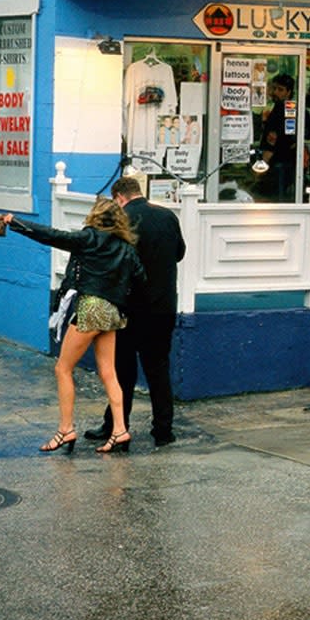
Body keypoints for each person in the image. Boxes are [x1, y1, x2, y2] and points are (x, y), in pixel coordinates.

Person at [2, 199, 145, 454]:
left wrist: (16, 222)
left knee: (63, 369)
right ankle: (120, 430)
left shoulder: (88, 238)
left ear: (95, 217)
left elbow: (51, 235)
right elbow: (140, 278)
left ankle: (66, 429)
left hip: (90, 307)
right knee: (109, 373)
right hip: (112, 311)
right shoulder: (126, 248)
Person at [85, 177, 187, 448]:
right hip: (164, 306)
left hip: (130, 307)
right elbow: (179, 253)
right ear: (139, 192)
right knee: (158, 369)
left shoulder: (121, 220)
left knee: (122, 371)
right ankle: (163, 430)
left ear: (118, 197)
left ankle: (117, 426)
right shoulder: (168, 216)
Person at [257, 71, 297, 199]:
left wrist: (263, 164)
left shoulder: (281, 111)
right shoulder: (286, 108)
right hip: (284, 162)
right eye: (275, 88)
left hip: (277, 164)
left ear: (288, 92)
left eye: (281, 90)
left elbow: (272, 140)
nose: (276, 92)